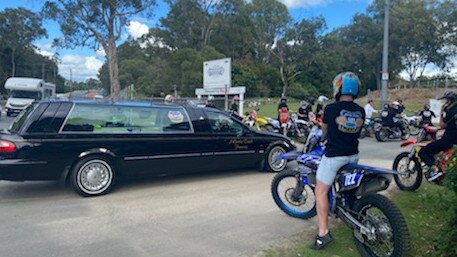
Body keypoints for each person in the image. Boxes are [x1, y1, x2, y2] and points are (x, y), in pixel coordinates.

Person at [311, 72, 365, 250]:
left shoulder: (330, 109)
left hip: (334, 156)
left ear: (339, 87)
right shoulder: (361, 110)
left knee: (320, 191)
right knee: (347, 189)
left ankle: (323, 233)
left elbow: (325, 130)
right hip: (353, 155)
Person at [418, 91, 457, 182]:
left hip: (449, 140)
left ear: (451, 101)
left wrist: (441, 111)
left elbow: (443, 125)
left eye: (446, 101)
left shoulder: (450, 111)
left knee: (423, 152)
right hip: (454, 139)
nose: (445, 103)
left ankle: (435, 170)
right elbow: (449, 125)